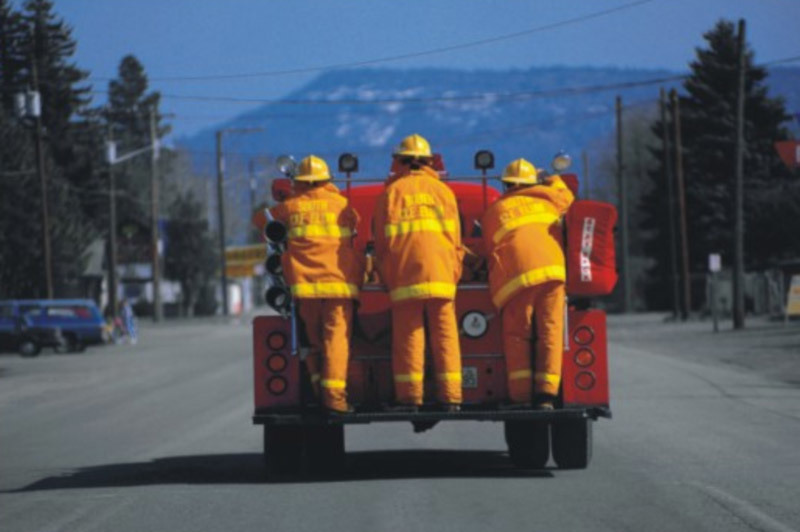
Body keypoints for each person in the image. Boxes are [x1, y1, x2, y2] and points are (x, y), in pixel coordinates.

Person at [374, 134, 464, 412]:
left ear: (398, 161)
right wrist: (454, 273)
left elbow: (381, 245)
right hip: (441, 277)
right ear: (429, 161)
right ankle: (451, 398)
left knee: (409, 337)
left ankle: (411, 398)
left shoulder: (391, 194)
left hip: (405, 279)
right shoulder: (444, 192)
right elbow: (456, 241)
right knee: (446, 336)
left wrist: (387, 278)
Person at [268, 155, 362, 414]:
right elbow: (356, 230)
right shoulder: (342, 205)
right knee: (336, 340)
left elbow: (262, 222)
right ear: (326, 180)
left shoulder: (290, 207)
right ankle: (334, 399)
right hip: (338, 286)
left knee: (313, 340)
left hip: (305, 289)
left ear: (299, 182)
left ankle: (318, 388)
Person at [480, 158, 574, 410]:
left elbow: (488, 249)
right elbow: (568, 197)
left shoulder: (495, 211)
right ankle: (546, 395)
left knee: (518, 335)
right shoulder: (551, 200)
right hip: (554, 272)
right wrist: (551, 178)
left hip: (517, 278)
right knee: (551, 332)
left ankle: (521, 397)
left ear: (506, 186)